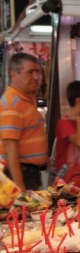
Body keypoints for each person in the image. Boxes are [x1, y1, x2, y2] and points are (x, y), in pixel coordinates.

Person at [0, 53, 48, 191]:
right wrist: (19, 186)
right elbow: (10, 147)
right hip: (20, 175)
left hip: (30, 173)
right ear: (14, 75)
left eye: (37, 72)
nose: (36, 77)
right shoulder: (12, 103)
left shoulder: (27, 98)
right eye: (30, 73)